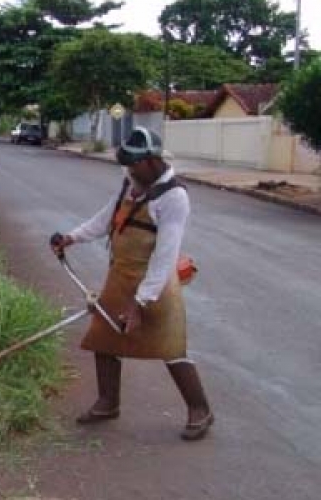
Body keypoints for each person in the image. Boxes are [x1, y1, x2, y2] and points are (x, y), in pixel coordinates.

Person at [50, 126, 213, 441]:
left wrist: (141, 302)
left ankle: (200, 409)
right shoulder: (131, 183)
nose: (129, 171)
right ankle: (108, 402)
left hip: (157, 285)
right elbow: (105, 219)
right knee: (103, 340)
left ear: (152, 161)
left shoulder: (174, 197)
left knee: (171, 347)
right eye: (126, 165)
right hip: (120, 277)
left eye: (135, 164)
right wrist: (71, 238)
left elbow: (166, 255)